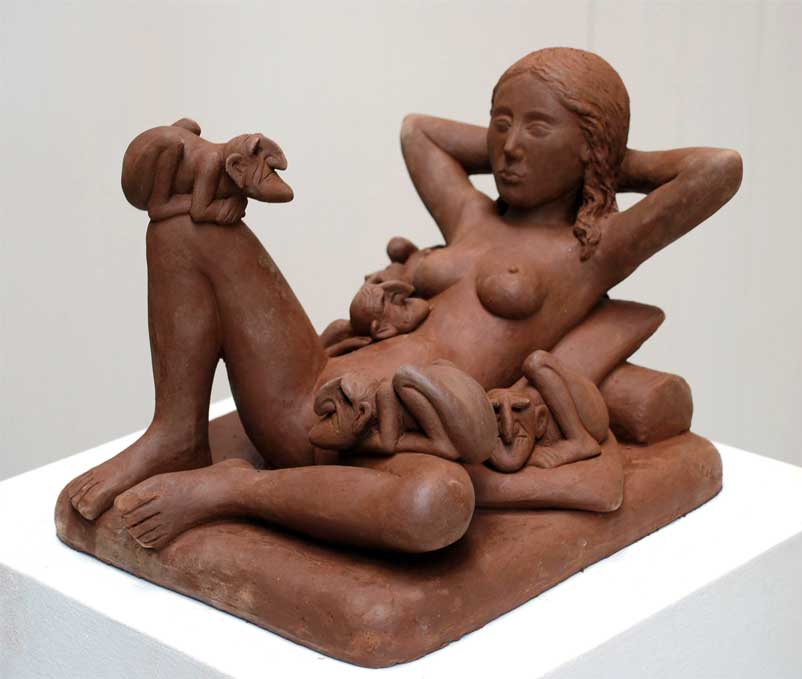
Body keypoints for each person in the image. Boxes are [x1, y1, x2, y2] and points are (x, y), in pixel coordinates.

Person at [65, 47, 741, 553]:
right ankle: (176, 433)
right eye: (500, 123)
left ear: (592, 144)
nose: (508, 147)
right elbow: (419, 131)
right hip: (310, 391)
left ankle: (235, 489)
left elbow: (716, 170)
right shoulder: (471, 217)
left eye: (537, 128)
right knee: (187, 226)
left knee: (435, 505)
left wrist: (607, 161)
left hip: (392, 444)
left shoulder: (591, 251)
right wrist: (538, 136)